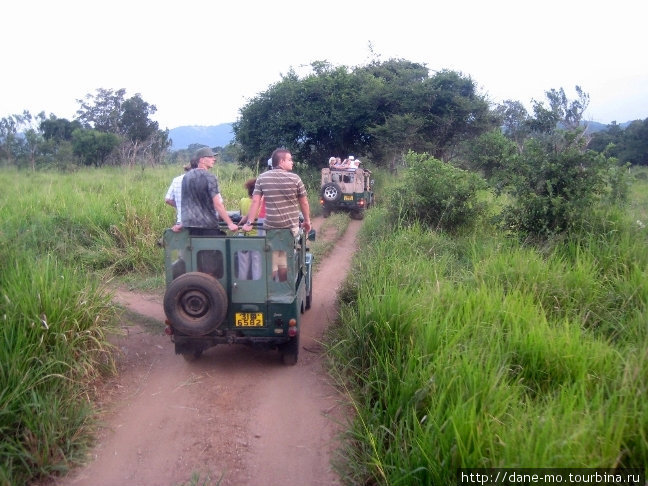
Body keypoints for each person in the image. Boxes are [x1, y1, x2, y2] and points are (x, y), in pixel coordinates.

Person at [241, 148, 311, 281]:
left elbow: (255, 201)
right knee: (282, 255)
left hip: (270, 227)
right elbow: (304, 203)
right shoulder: (295, 178)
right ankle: (282, 283)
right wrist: (307, 221)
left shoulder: (262, 178)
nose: (292, 162)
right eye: (290, 159)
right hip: (290, 228)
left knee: (271, 254)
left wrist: (249, 223)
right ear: (281, 161)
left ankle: (266, 282)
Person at [180, 147, 239, 234]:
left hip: (189, 226)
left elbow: (185, 202)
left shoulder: (186, 177)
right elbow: (217, 204)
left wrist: (182, 223)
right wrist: (230, 223)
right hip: (207, 225)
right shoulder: (210, 177)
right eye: (210, 157)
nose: (214, 159)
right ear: (202, 160)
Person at [237, 178, 265, 280]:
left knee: (242, 266)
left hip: (242, 236)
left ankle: (242, 288)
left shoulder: (243, 201)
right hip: (255, 237)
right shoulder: (260, 204)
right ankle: (256, 289)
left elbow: (241, 215)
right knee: (257, 265)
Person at [165, 159, 197, 232]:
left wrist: (180, 206)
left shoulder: (176, 180)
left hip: (180, 222)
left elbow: (167, 199)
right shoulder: (202, 179)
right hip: (199, 224)